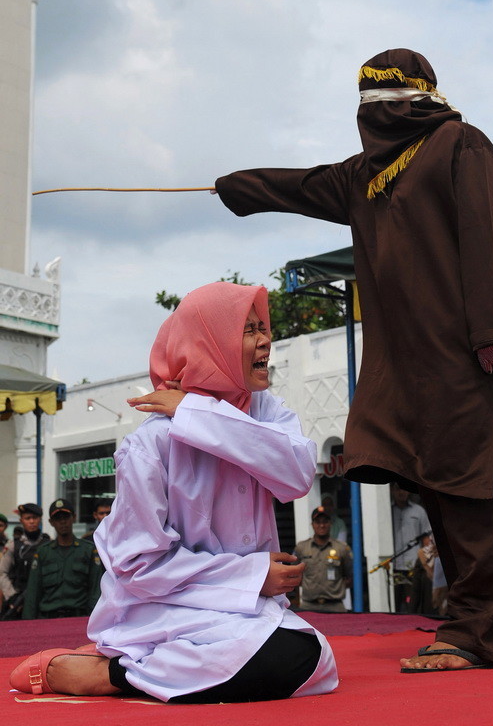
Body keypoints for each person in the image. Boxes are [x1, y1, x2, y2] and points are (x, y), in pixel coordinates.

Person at [214, 48, 493, 672]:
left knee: (472, 491)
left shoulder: (460, 144)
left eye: (392, 102)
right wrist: (234, 186)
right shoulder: (361, 177)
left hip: (464, 357)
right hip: (401, 367)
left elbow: (491, 234)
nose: (381, 113)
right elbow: (298, 185)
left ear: (423, 99)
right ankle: (469, 626)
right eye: (370, 104)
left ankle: (480, 634)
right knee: (437, 487)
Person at [11, 282, 338, 702]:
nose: (266, 340)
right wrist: (251, 576)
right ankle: (111, 673)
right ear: (211, 344)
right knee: (295, 656)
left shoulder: (265, 411)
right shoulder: (153, 442)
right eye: (249, 329)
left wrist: (196, 412)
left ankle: (123, 666)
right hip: (166, 608)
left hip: (238, 610)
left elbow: (295, 475)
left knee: (315, 661)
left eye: (263, 327)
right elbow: (138, 566)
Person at [22, 498, 102, 619]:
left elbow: (95, 591)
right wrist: (27, 625)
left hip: (79, 618)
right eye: (57, 519)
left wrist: (96, 620)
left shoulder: (88, 550)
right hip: (48, 620)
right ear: (51, 522)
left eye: (66, 517)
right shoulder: (43, 552)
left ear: (74, 517)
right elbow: (33, 594)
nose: (63, 522)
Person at [294, 506, 352, 613]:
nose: (322, 525)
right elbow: (294, 575)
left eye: (325, 521)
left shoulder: (341, 548)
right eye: (318, 522)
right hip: (308, 606)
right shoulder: (302, 548)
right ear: (312, 524)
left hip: (335, 606)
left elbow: (349, 578)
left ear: (331, 524)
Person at [0, 503, 50, 620]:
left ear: (40, 520)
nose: (32, 521)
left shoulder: (48, 544)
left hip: (43, 600)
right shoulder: (13, 545)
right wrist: (12, 596)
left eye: (35, 518)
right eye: (28, 518)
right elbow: (2, 573)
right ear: (21, 520)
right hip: (18, 599)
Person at [390, 483, 431, 612]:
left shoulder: (419, 511)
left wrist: (426, 563)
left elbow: (426, 539)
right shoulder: (386, 510)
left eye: (404, 488)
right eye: (397, 489)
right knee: (394, 605)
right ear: (392, 490)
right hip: (393, 566)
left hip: (413, 566)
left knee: (412, 604)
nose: (401, 492)